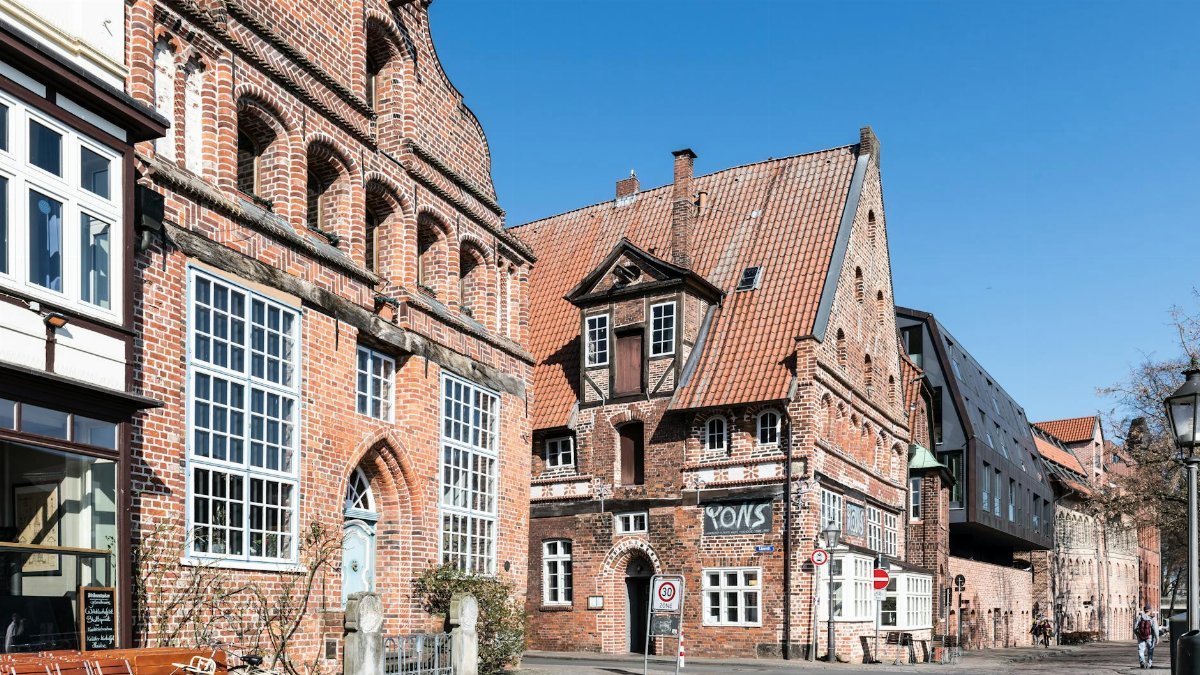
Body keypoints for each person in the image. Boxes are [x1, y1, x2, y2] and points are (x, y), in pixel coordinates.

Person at [1135, 605, 1159, 669]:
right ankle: (1149, 664)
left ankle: (1142, 662)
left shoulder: (1139, 617)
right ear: (1150, 610)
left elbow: (1135, 628)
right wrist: (1157, 638)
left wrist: (1137, 634)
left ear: (1144, 610)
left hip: (1141, 636)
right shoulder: (1152, 618)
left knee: (1141, 650)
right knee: (1150, 650)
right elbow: (1155, 629)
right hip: (1150, 636)